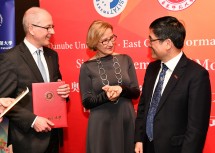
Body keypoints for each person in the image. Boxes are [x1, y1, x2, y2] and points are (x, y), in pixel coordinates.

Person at [134, 16, 211, 153]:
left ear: (168, 43)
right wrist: (139, 138)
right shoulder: (152, 69)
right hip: (147, 146)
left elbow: (196, 129)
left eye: (152, 39)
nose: (149, 44)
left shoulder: (196, 75)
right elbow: (143, 106)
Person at [0, 7, 70, 153]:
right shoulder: (11, 59)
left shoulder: (52, 55)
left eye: (53, 27)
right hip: (27, 140)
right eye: (48, 27)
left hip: (53, 134)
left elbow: (56, 86)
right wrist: (32, 120)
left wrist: (63, 92)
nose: (52, 32)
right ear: (31, 29)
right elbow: (4, 101)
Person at [79, 20, 140, 153]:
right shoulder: (87, 67)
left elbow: (136, 92)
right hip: (102, 124)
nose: (111, 43)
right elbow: (87, 102)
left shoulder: (125, 59)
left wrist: (121, 90)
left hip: (126, 119)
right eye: (105, 40)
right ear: (94, 42)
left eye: (112, 37)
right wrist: (106, 96)